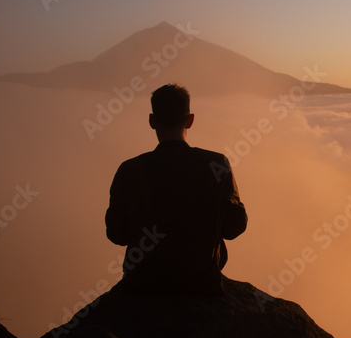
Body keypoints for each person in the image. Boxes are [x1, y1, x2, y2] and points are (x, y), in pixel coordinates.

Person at [105, 83, 247, 296]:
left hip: (143, 286)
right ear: (190, 120)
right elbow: (234, 227)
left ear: (152, 121)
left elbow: (117, 234)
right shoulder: (217, 164)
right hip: (201, 285)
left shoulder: (130, 170)